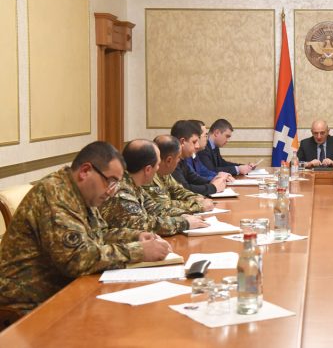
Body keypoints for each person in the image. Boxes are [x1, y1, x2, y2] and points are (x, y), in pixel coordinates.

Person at [0, 141, 171, 318]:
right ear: (85, 171)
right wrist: (138, 251)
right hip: (26, 303)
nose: (112, 191)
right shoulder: (55, 194)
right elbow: (77, 259)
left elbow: (100, 234)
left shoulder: (81, 193)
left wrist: (136, 236)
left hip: (63, 291)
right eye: (110, 181)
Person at [101, 139, 208, 235]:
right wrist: (183, 223)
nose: (158, 168)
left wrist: (183, 215)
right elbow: (144, 225)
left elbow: (155, 208)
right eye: (157, 164)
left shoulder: (133, 184)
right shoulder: (122, 191)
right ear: (148, 170)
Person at [144, 135, 220, 216]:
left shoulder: (165, 172)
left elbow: (179, 190)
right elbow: (164, 206)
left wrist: (198, 198)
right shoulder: (149, 176)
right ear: (169, 160)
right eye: (178, 158)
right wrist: (199, 206)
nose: (179, 161)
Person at [171, 120, 230, 195]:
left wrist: (213, 181)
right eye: (194, 142)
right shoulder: (172, 161)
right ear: (182, 142)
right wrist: (213, 187)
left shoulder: (182, 159)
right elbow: (184, 189)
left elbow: (194, 178)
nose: (197, 146)